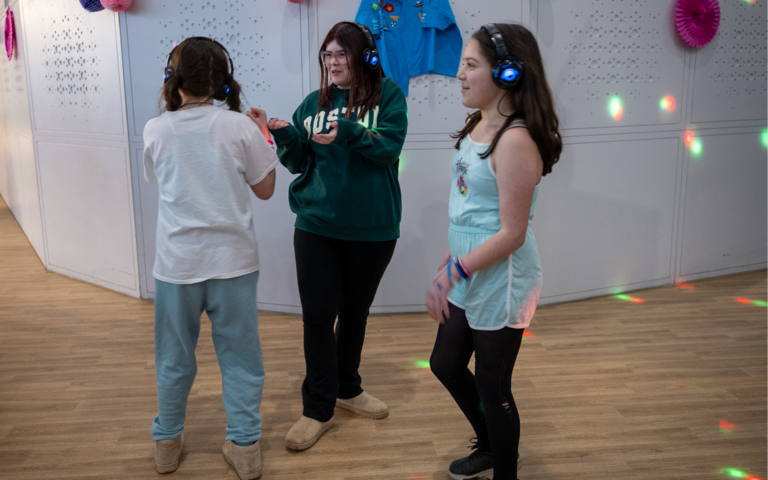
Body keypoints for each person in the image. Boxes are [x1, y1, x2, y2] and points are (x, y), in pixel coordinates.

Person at [248, 21, 407, 451]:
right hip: (317, 227)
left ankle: (347, 389)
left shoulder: (388, 95)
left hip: (373, 231)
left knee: (354, 315)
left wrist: (350, 131)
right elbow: (301, 162)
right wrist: (281, 132)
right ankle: (318, 407)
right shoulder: (312, 103)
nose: (333, 63)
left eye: (342, 55)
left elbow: (389, 146)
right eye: (328, 55)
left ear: (365, 57)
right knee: (318, 319)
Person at [424, 23, 562, 480]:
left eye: (470, 64)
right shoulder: (479, 123)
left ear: (506, 72)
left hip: (501, 279)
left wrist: (453, 272)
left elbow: (511, 234)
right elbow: (470, 211)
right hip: (467, 270)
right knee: (444, 363)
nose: (459, 74)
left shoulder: (517, 139)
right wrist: (449, 261)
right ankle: (488, 444)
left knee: (493, 385)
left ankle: (505, 471)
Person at [143, 37, 278, 480]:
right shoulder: (239, 127)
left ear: (172, 80)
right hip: (234, 264)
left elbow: (158, 180)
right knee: (241, 359)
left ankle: (166, 444)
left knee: (173, 358)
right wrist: (263, 138)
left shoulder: (156, 129)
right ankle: (245, 449)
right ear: (223, 81)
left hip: (177, 266)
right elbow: (265, 188)